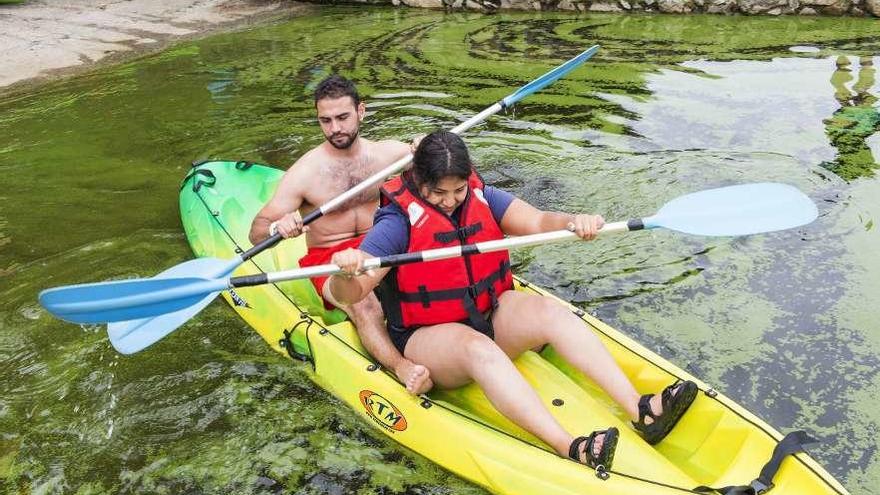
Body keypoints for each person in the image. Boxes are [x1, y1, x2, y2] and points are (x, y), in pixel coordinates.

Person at [327, 130, 698, 468]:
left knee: (548, 311)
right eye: (439, 194)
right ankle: (569, 446)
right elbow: (353, 293)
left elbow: (537, 221)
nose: (451, 202)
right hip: (429, 339)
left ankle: (641, 409)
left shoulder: (481, 196)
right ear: (419, 181)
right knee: (478, 349)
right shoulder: (396, 221)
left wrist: (573, 221)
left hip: (485, 313)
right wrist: (346, 273)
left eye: (457, 191)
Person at [249, 75, 432, 395]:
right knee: (364, 303)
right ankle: (402, 368)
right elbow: (257, 232)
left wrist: (424, 147)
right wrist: (280, 226)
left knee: (430, 276)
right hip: (330, 258)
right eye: (326, 120)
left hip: (381, 245)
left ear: (361, 111)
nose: (335, 128)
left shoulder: (388, 154)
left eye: (343, 117)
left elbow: (438, 169)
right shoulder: (306, 172)